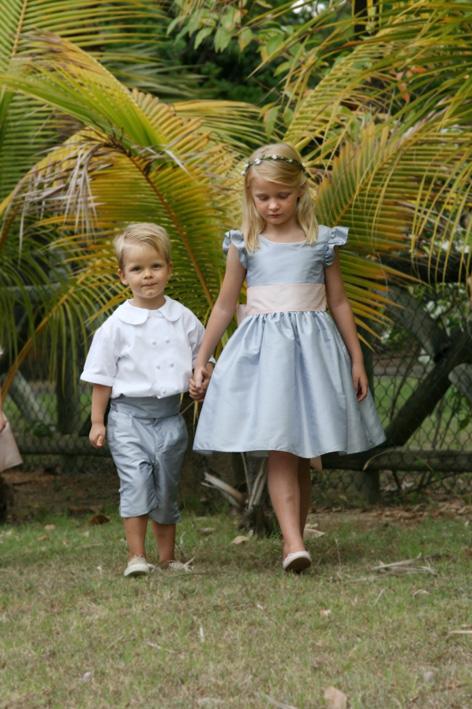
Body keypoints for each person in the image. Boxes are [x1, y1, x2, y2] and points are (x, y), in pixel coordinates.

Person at [190, 143, 386, 573]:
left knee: (301, 451)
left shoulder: (321, 241)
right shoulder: (245, 244)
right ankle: (293, 543)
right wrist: (202, 359)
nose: (273, 205)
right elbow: (224, 306)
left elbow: (339, 303)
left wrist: (356, 359)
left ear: (300, 192)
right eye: (263, 197)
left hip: (315, 355)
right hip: (266, 358)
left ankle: (293, 539)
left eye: (282, 195)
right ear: (250, 196)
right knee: (281, 446)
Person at [81, 223, 213, 577]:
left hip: (171, 418)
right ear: (123, 275)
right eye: (137, 269)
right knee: (136, 483)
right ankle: (136, 557)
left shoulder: (183, 317)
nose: (147, 275)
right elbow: (101, 378)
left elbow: (203, 358)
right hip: (127, 419)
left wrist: (202, 378)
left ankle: (168, 559)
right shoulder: (115, 326)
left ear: (169, 269)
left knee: (167, 488)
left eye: (155, 266)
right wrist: (97, 421)